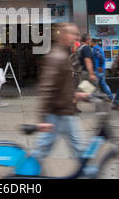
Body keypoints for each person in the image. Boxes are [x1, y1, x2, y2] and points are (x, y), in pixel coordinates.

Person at [31, 23, 88, 161]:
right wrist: (43, 118)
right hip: (58, 113)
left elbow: (64, 84)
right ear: (63, 35)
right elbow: (47, 88)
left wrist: (78, 93)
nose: (77, 36)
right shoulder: (57, 56)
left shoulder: (66, 54)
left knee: (77, 148)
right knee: (42, 150)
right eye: (73, 34)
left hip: (65, 110)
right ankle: (24, 174)